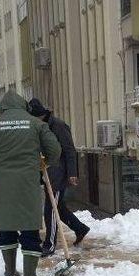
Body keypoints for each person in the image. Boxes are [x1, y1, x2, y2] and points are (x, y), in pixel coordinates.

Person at [0, 90, 61, 276]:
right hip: (28, 182)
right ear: (23, 106)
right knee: (29, 226)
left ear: (3, 107)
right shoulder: (36, 124)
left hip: (2, 183)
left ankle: (10, 271)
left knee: (6, 225)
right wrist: (45, 162)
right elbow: (55, 149)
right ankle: (30, 275)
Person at [26, 98, 90, 256]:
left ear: (39, 115)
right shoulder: (38, 127)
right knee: (58, 207)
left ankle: (50, 244)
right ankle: (80, 228)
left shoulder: (58, 126)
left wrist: (73, 173)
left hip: (58, 174)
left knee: (50, 209)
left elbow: (69, 150)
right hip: (47, 172)